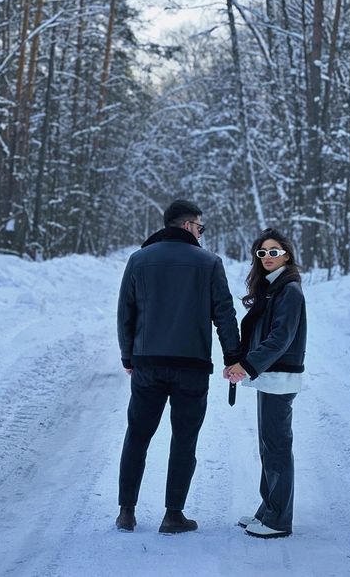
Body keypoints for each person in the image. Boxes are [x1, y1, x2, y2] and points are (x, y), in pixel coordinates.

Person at [116, 199, 242, 534]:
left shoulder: (139, 260)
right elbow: (224, 315)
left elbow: (125, 312)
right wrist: (233, 357)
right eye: (200, 227)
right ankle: (173, 515)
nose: (201, 234)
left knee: (137, 436)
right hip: (192, 366)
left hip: (148, 364)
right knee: (184, 440)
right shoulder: (209, 263)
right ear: (187, 226)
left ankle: (126, 512)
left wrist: (128, 356)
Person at [225, 228, 307, 539]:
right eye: (262, 253)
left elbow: (280, 339)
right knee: (268, 447)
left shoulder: (289, 290)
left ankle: (279, 520)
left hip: (280, 375)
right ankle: (268, 508)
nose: (268, 257)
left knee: (277, 448)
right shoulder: (275, 288)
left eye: (274, 251)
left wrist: (246, 365)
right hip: (270, 376)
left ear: (286, 254)